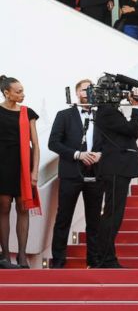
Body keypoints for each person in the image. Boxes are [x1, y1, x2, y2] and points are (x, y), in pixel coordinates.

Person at [47, 79, 102, 269]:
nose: (89, 93)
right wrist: (78, 155)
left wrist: (100, 154)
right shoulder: (64, 115)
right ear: (77, 92)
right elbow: (53, 143)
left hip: (96, 173)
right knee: (64, 218)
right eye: (85, 89)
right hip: (71, 173)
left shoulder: (102, 115)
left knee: (94, 220)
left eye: (92, 90)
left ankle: (94, 262)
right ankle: (58, 262)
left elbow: (110, 143)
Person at [91, 92, 138, 269]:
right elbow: (132, 130)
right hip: (115, 168)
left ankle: (105, 257)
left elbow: (127, 134)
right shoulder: (107, 111)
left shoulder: (108, 111)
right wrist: (137, 109)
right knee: (113, 213)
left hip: (118, 168)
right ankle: (105, 259)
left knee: (114, 212)